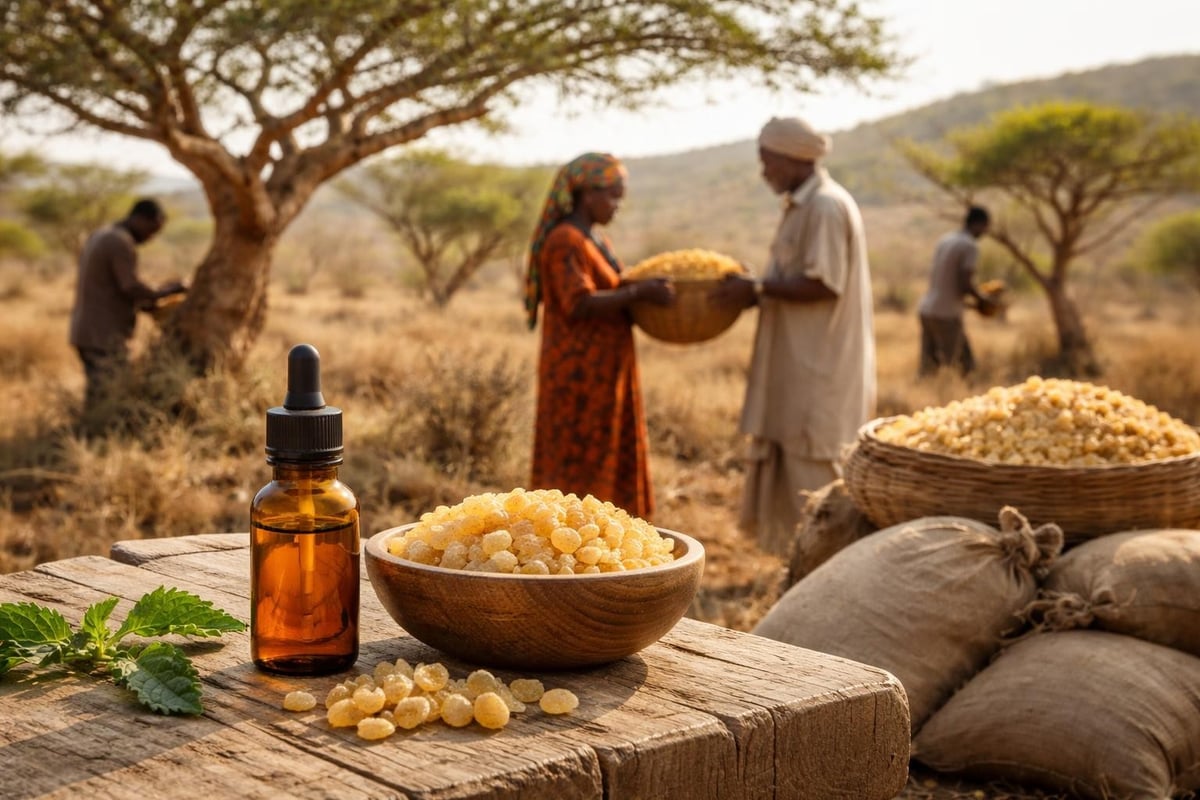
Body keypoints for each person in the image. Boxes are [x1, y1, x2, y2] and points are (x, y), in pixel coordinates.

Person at [711, 116, 876, 557]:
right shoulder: (802, 205)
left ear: (792, 158)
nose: (764, 172)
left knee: (816, 471)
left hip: (819, 365)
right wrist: (754, 288)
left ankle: (827, 566)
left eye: (767, 162)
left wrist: (759, 288)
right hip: (796, 363)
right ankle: (797, 561)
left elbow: (823, 283)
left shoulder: (824, 206)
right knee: (793, 463)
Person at [524, 152, 673, 519]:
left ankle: (607, 539)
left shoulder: (593, 238)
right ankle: (572, 543)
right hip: (579, 376)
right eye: (612, 195)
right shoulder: (565, 240)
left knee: (604, 451)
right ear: (586, 194)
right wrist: (639, 294)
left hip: (605, 374)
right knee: (578, 460)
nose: (617, 205)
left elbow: (611, 288)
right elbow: (579, 303)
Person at [69, 198, 185, 414]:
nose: (151, 237)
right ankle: (95, 438)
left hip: (87, 330)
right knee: (110, 396)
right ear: (140, 219)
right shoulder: (119, 241)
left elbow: (118, 289)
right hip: (102, 335)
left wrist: (153, 300)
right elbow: (130, 286)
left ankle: (89, 432)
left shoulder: (102, 234)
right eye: (152, 229)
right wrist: (166, 292)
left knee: (99, 394)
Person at [917, 205, 993, 377]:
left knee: (928, 367)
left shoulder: (946, 239)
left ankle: (924, 398)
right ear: (979, 224)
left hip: (927, 309)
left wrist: (972, 304)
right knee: (965, 366)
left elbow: (946, 282)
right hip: (946, 314)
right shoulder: (970, 246)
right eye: (986, 227)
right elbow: (965, 284)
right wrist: (984, 300)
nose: (986, 231)